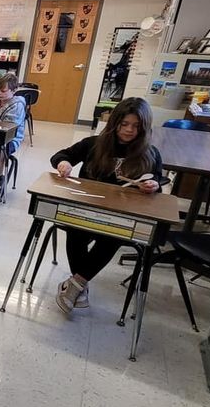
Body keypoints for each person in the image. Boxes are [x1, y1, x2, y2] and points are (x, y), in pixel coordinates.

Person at [50, 97, 162, 315]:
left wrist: (154, 184)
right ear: (115, 123)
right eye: (124, 124)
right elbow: (62, 155)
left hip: (121, 215)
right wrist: (63, 163)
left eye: (136, 126)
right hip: (86, 209)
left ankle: (75, 285)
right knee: (75, 231)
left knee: (113, 236)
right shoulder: (94, 145)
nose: (129, 130)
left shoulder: (150, 153)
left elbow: (158, 178)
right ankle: (78, 286)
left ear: (144, 128)